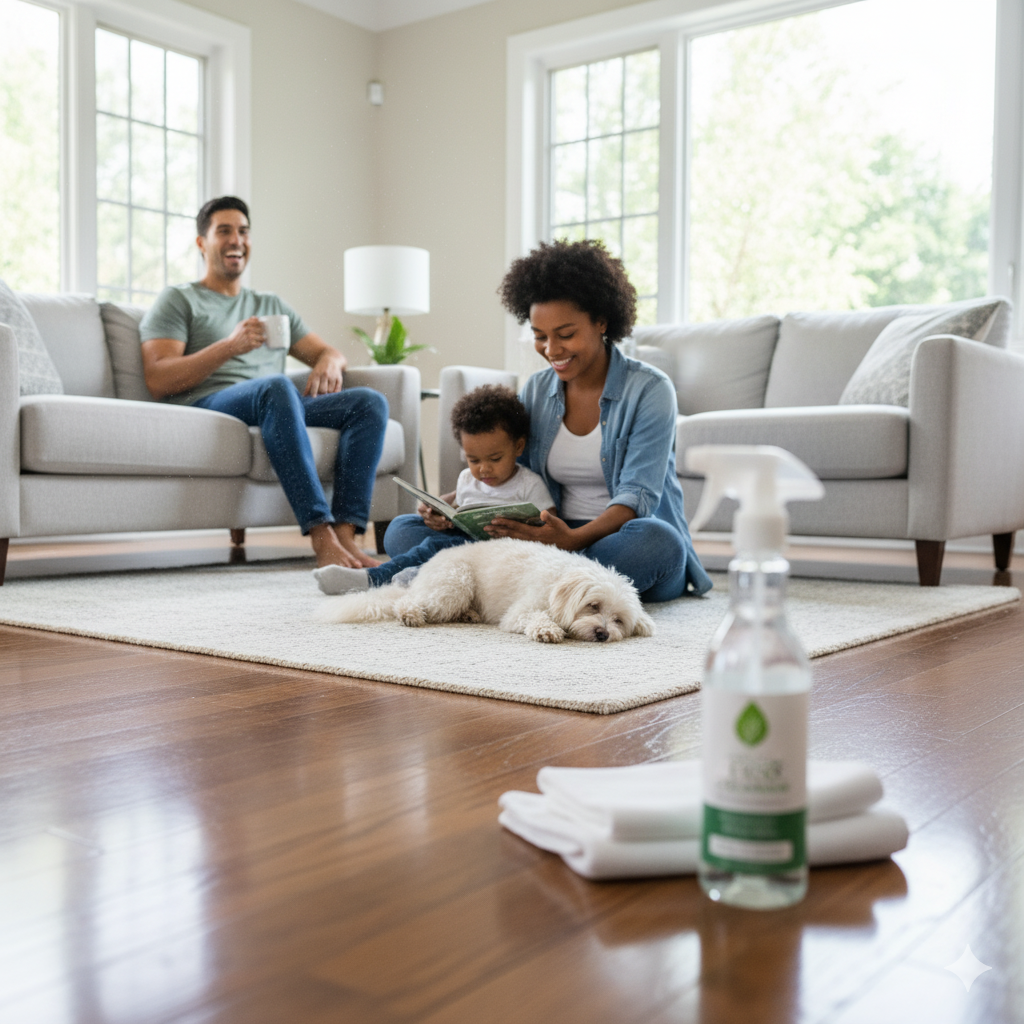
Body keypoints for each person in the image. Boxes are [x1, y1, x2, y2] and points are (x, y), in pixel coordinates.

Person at [384, 238, 711, 602]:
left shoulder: (650, 389)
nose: (552, 350)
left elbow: (637, 498)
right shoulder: (538, 390)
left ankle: (506, 585)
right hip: (546, 537)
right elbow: (510, 473)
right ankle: (564, 588)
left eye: (566, 334)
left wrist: (570, 540)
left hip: (617, 538)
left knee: (659, 543)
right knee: (403, 530)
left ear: (602, 321)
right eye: (540, 337)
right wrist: (450, 505)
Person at [139, 196, 388, 569]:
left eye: (243, 231)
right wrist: (228, 347)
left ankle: (347, 538)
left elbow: (328, 352)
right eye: (223, 231)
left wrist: (329, 364)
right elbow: (159, 379)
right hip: (211, 404)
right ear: (201, 243)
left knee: (368, 402)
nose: (236, 239)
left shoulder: (271, 305)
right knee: (276, 386)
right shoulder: (179, 299)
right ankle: (321, 537)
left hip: (276, 405)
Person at [314, 384, 555, 594]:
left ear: (519, 446)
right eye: (473, 460)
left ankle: (372, 579)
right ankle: (419, 576)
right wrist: (437, 514)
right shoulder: (467, 479)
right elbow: (455, 507)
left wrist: (525, 532)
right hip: (464, 546)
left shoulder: (529, 484)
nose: (483, 469)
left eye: (494, 458)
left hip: (503, 556)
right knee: (399, 528)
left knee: (435, 548)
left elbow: (551, 526)